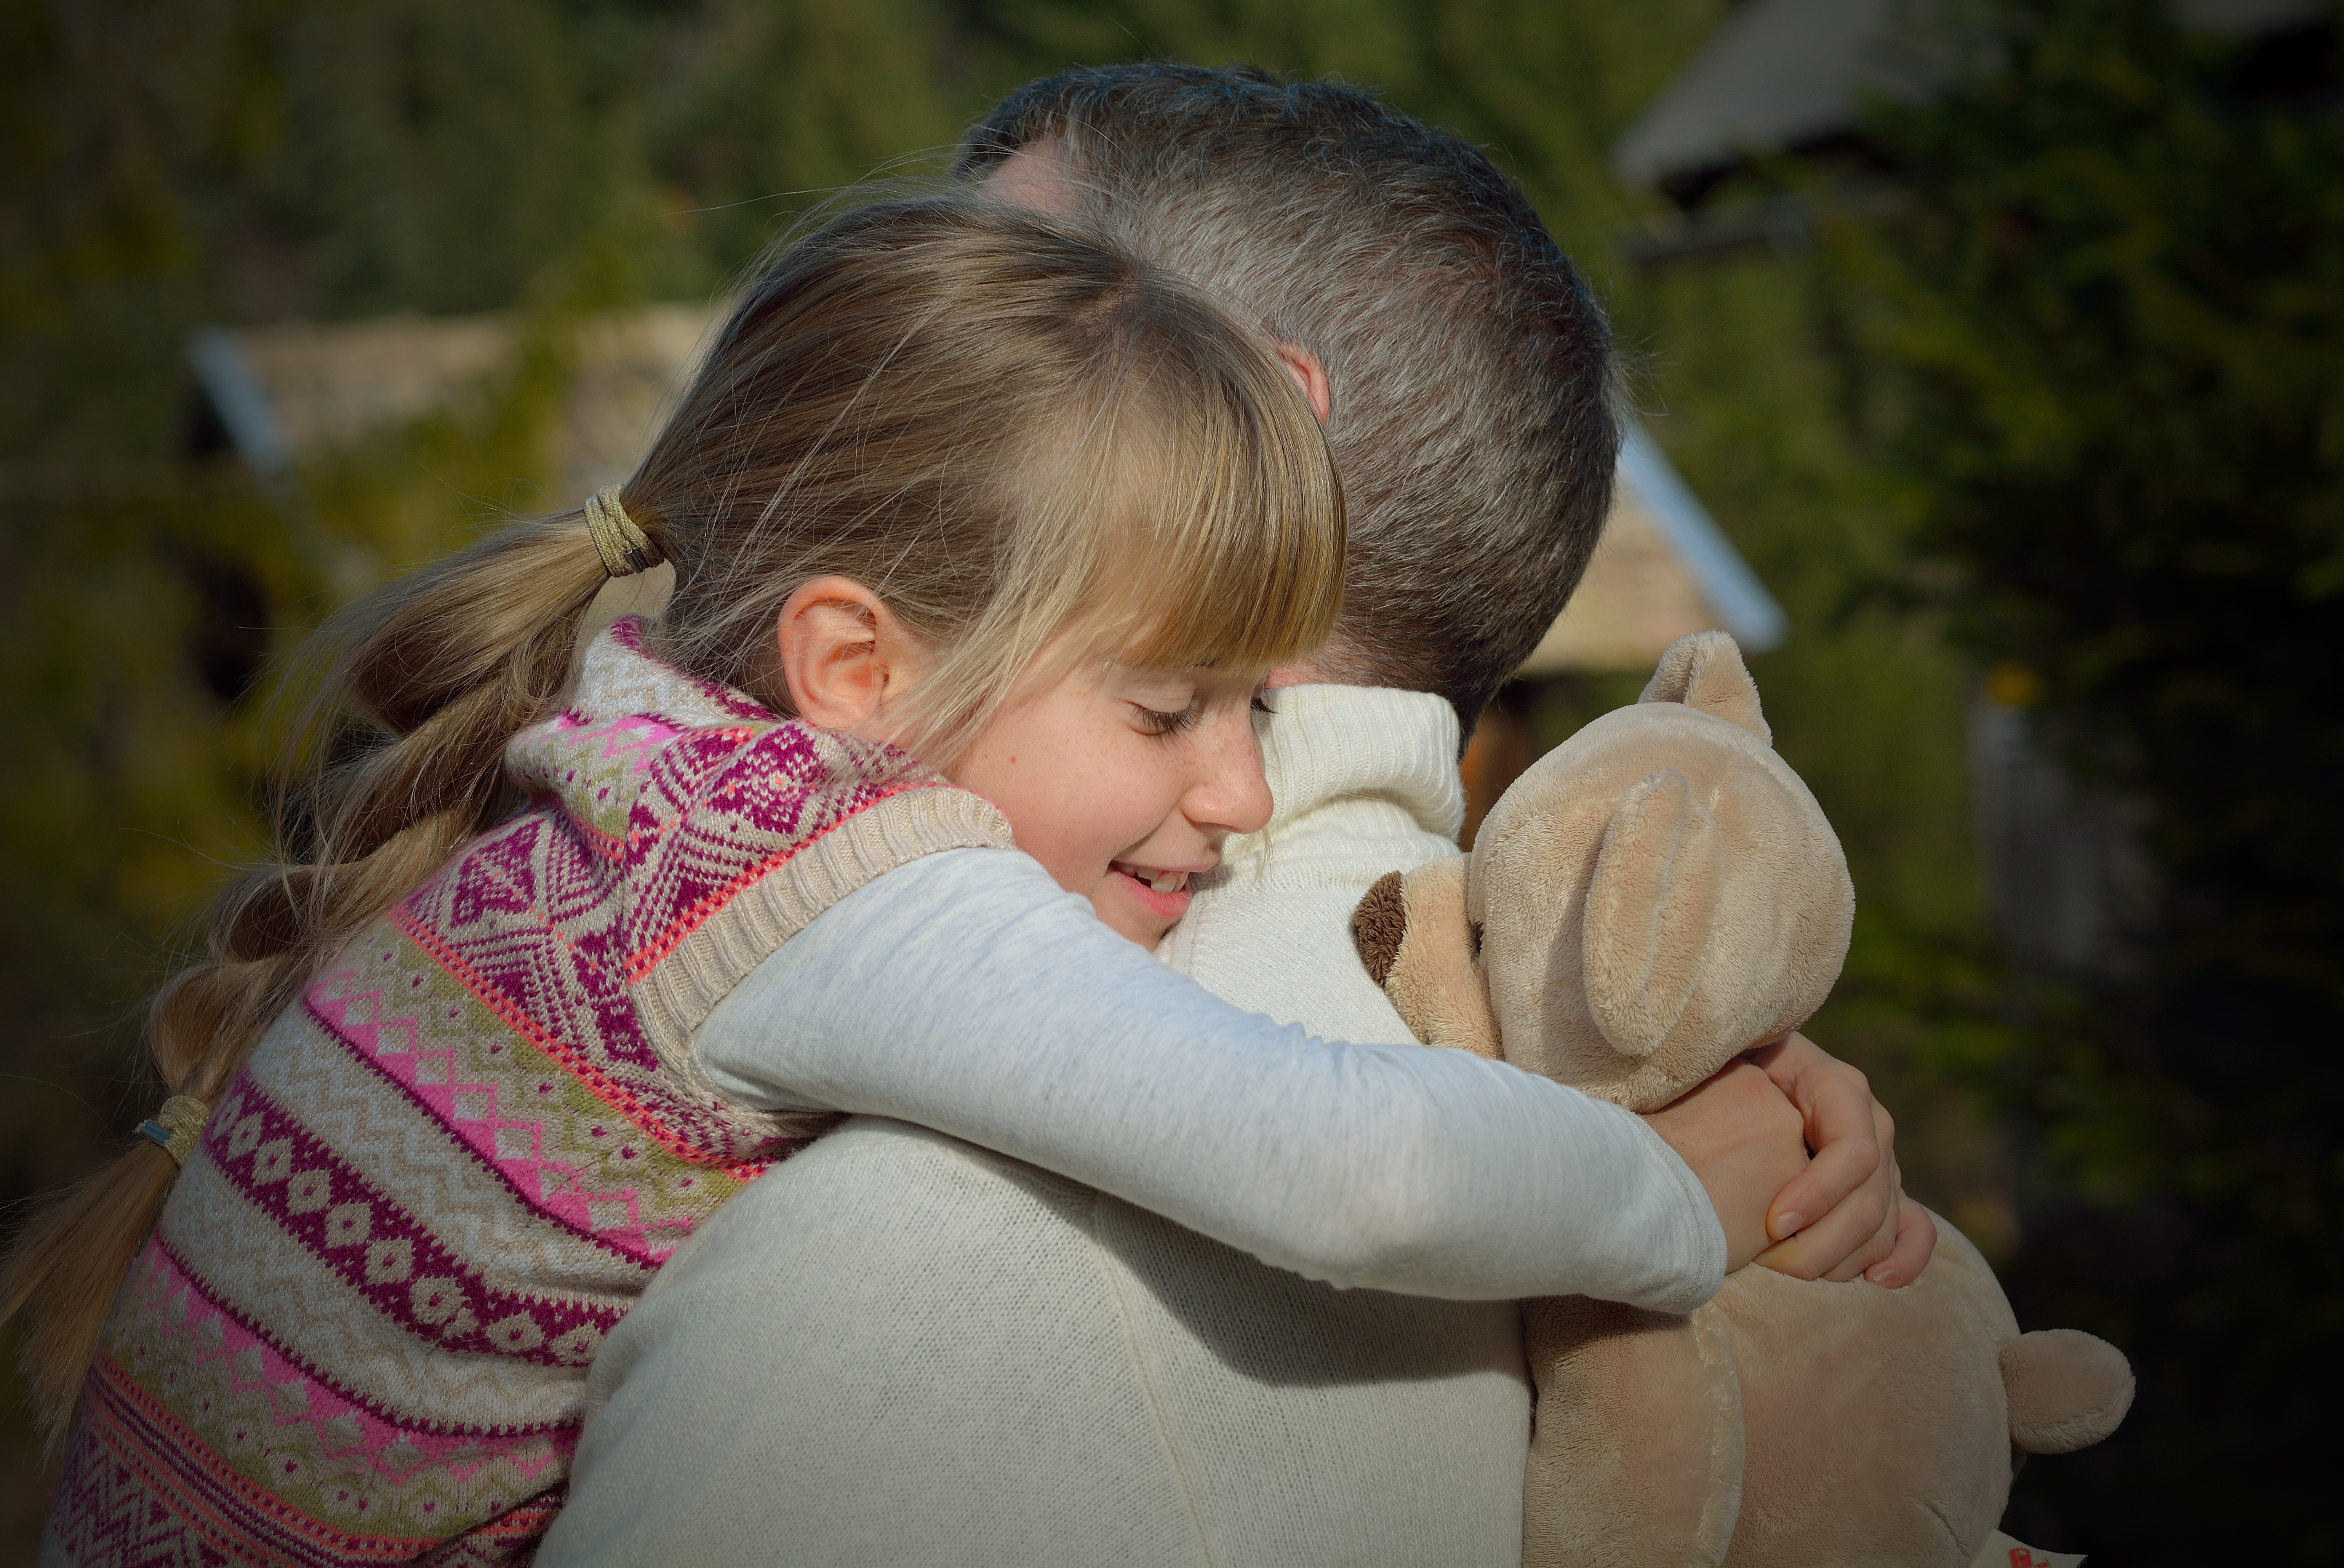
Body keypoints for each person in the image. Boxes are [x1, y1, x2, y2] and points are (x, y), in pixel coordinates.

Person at [18, 196, 1787, 1568]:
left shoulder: (643, 758)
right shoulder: (823, 880)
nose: (1245, 789)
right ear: (855, 667)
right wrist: (1672, 1195)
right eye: (1171, 707)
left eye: (1259, 705)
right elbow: (1355, 1164)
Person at [543, 66, 1930, 1568]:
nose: (869, 385)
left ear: (1256, 421)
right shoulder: (1617, 1088)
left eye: (998, 301)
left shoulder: (897, 1269)